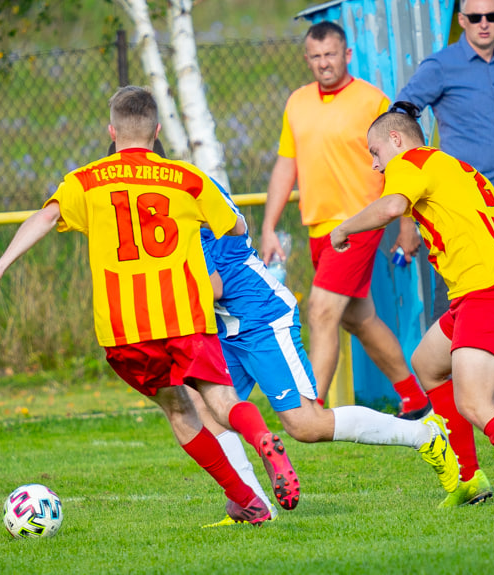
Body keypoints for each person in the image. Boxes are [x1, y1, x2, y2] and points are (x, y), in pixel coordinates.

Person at [0, 86, 301, 525]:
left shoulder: (84, 180)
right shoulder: (187, 178)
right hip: (185, 315)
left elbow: (46, 217)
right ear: (156, 131)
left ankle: (248, 502)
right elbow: (236, 226)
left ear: (112, 130)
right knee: (220, 398)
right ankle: (261, 439)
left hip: (126, 330)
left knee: (179, 411)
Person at [330, 103, 494, 505]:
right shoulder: (463, 173)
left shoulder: (410, 161)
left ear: (396, 140)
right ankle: (469, 479)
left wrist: (343, 228)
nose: (376, 165)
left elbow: (391, 207)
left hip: (486, 294)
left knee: (475, 402)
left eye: (374, 153)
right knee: (427, 363)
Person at [192, 180, 460, 526]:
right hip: (227, 326)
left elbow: (213, 287)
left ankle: (425, 435)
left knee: (305, 424)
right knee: (206, 409)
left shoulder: (182, 206)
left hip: (261, 319)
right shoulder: (190, 188)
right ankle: (254, 505)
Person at [260, 21, 430, 419]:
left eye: (331, 54)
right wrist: (268, 227)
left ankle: (312, 409)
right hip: (319, 228)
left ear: (347, 55)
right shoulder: (296, 102)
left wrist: (408, 224)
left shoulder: (372, 101)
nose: (324, 63)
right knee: (360, 318)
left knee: (320, 310)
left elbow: (403, 167)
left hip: (357, 225)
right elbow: (287, 165)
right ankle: (416, 399)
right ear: (307, 59)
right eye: (316, 56)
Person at [395, 0, 494, 421]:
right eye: (474, 17)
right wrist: (417, 187)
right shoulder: (441, 65)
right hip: (460, 206)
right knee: (456, 303)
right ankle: (453, 408)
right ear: (461, 21)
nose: (483, 24)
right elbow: (402, 114)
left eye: (491, 16)